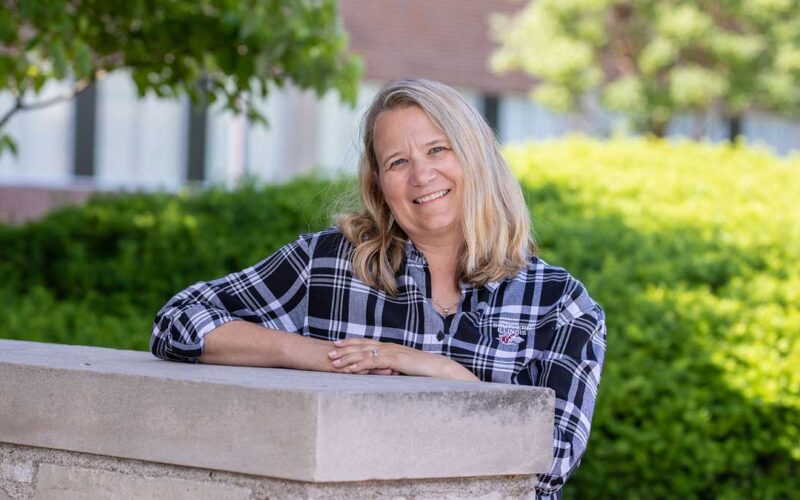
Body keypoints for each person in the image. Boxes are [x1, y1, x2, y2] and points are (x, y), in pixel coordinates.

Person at [151, 79, 606, 498]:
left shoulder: (559, 304)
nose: (421, 175)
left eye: (437, 150)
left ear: (476, 157)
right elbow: (179, 322)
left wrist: (438, 372)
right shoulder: (327, 264)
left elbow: (550, 460)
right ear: (379, 183)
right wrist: (320, 356)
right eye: (398, 162)